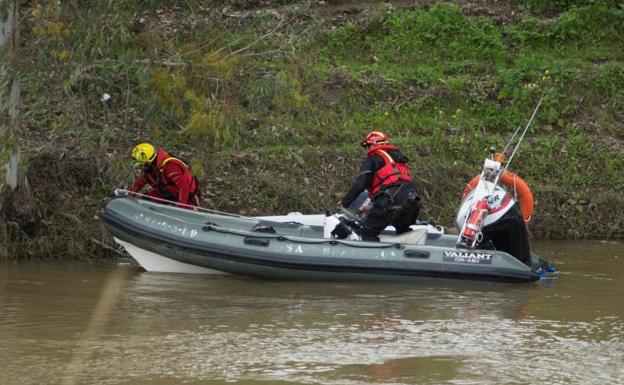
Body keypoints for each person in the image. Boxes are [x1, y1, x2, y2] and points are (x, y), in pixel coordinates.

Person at [338, 131, 421, 241]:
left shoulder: (372, 159)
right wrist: (373, 208)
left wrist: (344, 203)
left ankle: (374, 256)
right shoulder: (397, 158)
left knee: (367, 234)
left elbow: (360, 184)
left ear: (372, 145)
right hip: (412, 197)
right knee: (402, 229)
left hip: (392, 197)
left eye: (367, 146)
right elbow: (394, 187)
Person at [129, 143, 200, 209]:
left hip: (187, 199)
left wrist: (180, 208)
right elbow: (138, 183)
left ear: (149, 160)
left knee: (182, 214)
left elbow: (184, 188)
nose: (142, 166)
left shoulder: (170, 167)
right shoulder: (149, 169)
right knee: (146, 198)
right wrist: (128, 195)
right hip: (167, 194)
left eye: (143, 163)